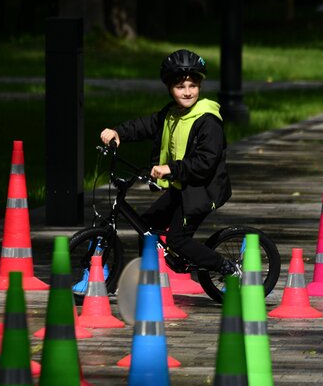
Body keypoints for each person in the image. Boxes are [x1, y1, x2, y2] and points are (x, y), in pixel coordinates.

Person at [100, 49, 239, 277]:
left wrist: (170, 169)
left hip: (202, 190)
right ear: (169, 88)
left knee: (177, 239)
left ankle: (225, 267)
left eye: (193, 86)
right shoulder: (171, 113)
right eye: (180, 87)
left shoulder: (208, 121)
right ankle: (150, 278)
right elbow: (145, 125)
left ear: (200, 86)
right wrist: (118, 132)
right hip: (182, 185)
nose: (187, 92)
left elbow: (205, 162)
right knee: (146, 225)